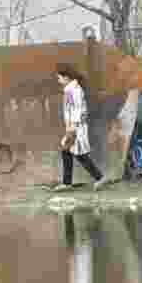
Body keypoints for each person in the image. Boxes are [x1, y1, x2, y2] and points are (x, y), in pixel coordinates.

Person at [55, 63, 110, 191]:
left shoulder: (73, 90)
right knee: (67, 151)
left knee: (79, 154)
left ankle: (99, 178)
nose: (58, 80)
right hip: (74, 126)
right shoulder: (71, 89)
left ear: (66, 77)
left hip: (76, 127)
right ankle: (67, 183)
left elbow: (78, 109)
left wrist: (72, 128)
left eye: (59, 78)